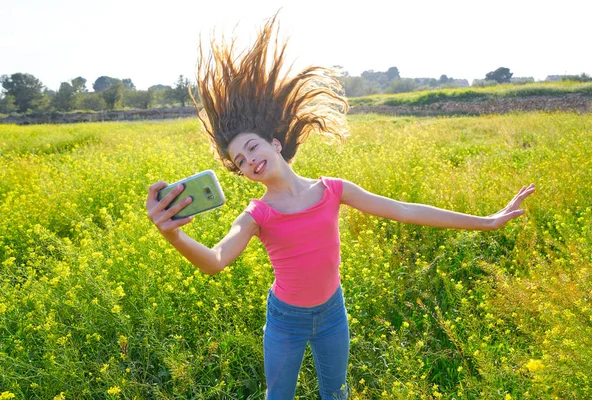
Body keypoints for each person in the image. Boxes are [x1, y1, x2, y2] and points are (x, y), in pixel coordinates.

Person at [145, 14, 536, 400]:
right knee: (278, 395)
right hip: (286, 321)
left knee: (336, 393)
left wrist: (487, 221)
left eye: (252, 147)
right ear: (243, 175)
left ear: (275, 144)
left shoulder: (332, 190)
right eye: (240, 162)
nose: (249, 161)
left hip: (333, 313)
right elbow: (215, 260)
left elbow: (406, 210)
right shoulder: (255, 215)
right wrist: (173, 233)